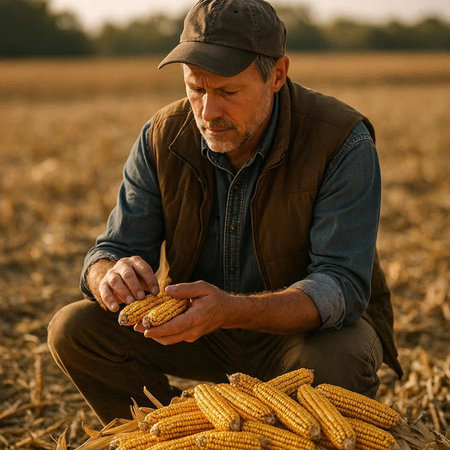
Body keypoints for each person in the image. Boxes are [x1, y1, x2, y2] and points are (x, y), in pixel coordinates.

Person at [47, 0, 402, 425]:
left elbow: (341, 286)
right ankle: (170, 431)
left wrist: (230, 308)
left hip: (299, 337)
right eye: (195, 89)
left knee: (338, 357)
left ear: (277, 75)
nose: (208, 112)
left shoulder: (341, 141)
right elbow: (113, 247)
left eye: (228, 92)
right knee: (74, 328)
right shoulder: (162, 137)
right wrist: (108, 274)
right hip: (197, 331)